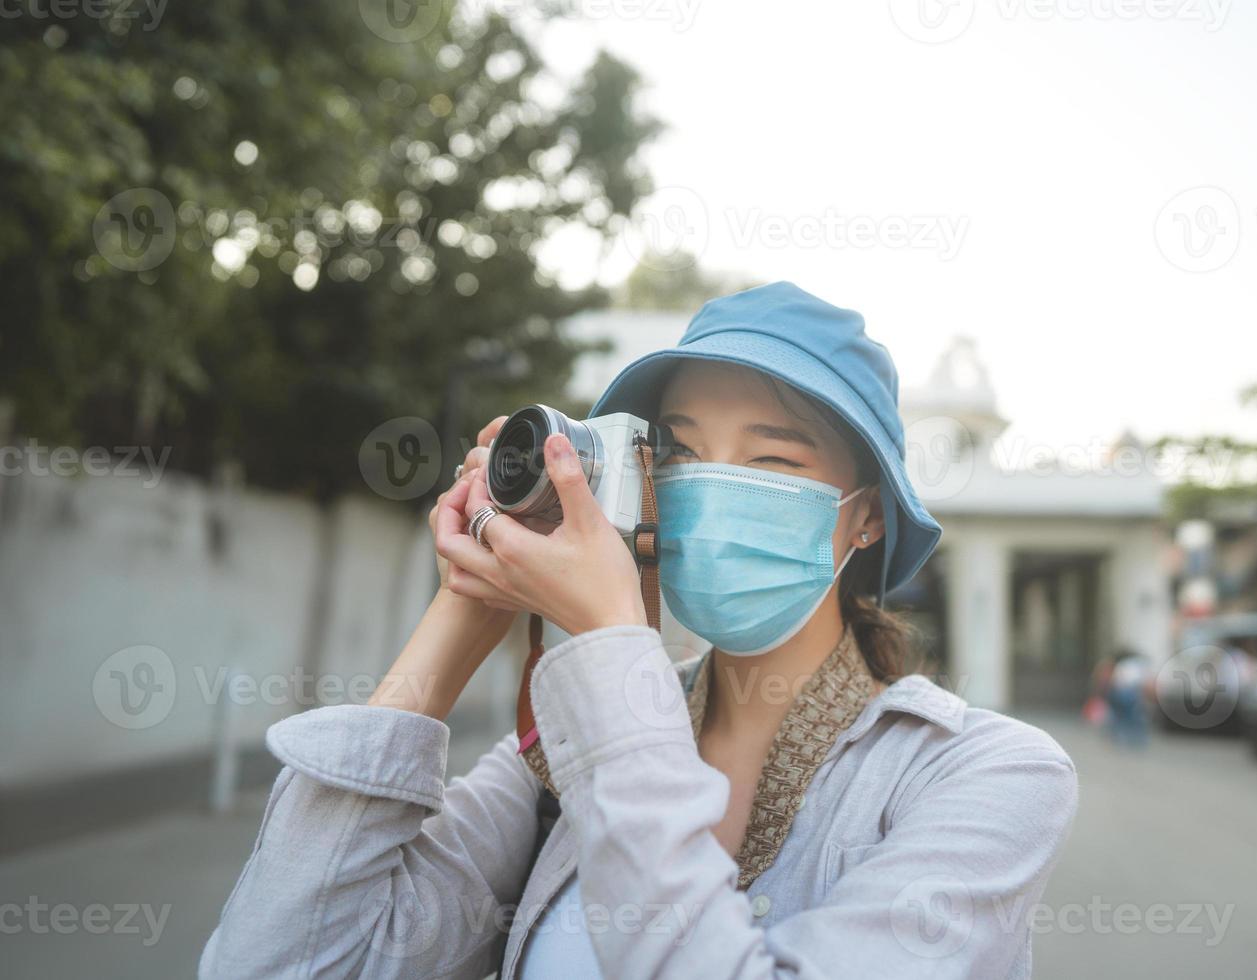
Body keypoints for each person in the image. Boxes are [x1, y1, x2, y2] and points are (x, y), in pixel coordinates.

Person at [199, 282, 1079, 979]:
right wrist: (468, 609)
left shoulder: (987, 775)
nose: (709, 484)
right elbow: (282, 962)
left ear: (867, 519)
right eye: (683, 454)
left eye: (773, 459)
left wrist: (614, 645)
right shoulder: (555, 760)